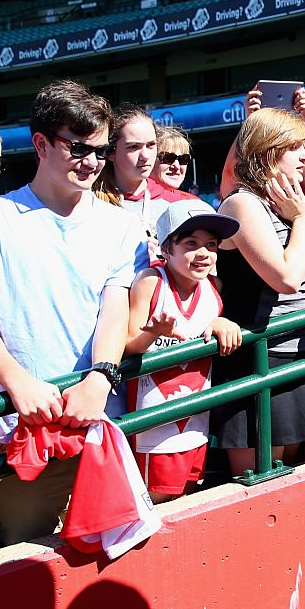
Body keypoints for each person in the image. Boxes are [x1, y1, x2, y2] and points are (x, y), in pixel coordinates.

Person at [0, 79, 143, 546]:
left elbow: (114, 314)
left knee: (107, 558)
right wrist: (19, 381)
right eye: (77, 147)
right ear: (40, 144)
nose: (91, 161)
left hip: (101, 423)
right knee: (23, 565)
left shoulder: (121, 224)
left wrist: (100, 378)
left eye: (100, 149)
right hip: (22, 429)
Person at [213, 108, 305, 475]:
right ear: (267, 151)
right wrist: (304, 217)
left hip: (300, 351)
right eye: (295, 147)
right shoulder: (242, 203)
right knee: (263, 484)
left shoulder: (281, 205)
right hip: (260, 357)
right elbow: (285, 278)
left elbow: (300, 279)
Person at [125, 199, 242, 503]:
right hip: (154, 426)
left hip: (196, 421)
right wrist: (153, 334)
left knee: (189, 499)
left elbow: (212, 322)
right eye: (191, 243)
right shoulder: (152, 281)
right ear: (166, 248)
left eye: (211, 244)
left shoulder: (212, 288)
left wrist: (222, 322)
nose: (203, 253)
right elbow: (126, 344)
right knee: (155, 503)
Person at [93, 103, 171, 270]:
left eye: (151, 145)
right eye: (133, 147)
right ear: (111, 153)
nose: (145, 156)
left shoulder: (175, 203)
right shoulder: (88, 204)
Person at [150, 126, 197, 201]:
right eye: (168, 158)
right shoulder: (128, 203)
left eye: (183, 159)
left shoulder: (193, 203)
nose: (177, 166)